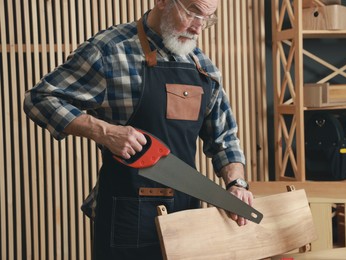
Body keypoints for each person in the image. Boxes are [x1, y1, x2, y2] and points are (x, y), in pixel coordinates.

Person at [24, 0, 254, 259]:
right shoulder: (110, 51)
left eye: (207, 19)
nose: (198, 27)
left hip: (186, 216)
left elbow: (223, 137)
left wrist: (237, 182)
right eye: (193, 13)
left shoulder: (203, 68)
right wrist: (103, 131)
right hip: (126, 217)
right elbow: (40, 99)